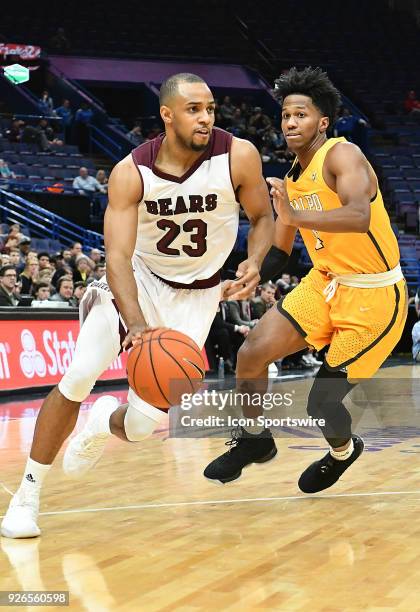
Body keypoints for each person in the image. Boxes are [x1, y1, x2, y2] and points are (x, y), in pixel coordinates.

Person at [1, 72, 274, 538]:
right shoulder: (132, 172)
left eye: (209, 108)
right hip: (138, 282)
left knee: (143, 426)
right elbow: (119, 257)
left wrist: (254, 260)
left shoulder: (238, 155)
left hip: (200, 295)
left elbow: (264, 215)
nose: (206, 117)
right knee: (80, 373)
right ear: (167, 115)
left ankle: (103, 421)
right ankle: (27, 495)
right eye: (194, 109)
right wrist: (137, 323)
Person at [204, 66, 407, 492]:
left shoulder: (342, 155)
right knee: (251, 354)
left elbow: (358, 214)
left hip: (373, 298)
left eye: (300, 115)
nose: (290, 123)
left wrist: (294, 215)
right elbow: (280, 250)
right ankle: (255, 441)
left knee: (322, 404)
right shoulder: (294, 177)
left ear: (323, 122)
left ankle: (343, 450)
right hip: (324, 284)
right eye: (285, 116)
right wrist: (253, 272)